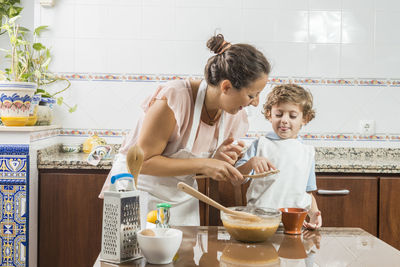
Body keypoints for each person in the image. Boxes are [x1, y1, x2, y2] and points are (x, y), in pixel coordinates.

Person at [99, 34, 272, 226]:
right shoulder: (175, 98)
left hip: (182, 198)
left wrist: (216, 161)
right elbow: (143, 163)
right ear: (226, 87)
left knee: (184, 255)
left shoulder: (235, 116)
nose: (255, 103)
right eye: (252, 95)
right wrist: (203, 164)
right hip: (139, 192)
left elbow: (195, 166)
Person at [236, 84, 322, 229]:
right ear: (269, 115)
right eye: (279, 114)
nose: (284, 120)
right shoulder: (260, 145)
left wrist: (314, 215)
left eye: (292, 115)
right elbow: (237, 178)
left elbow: (307, 192)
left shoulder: (307, 153)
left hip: (293, 224)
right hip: (259, 222)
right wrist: (251, 163)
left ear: (305, 118)